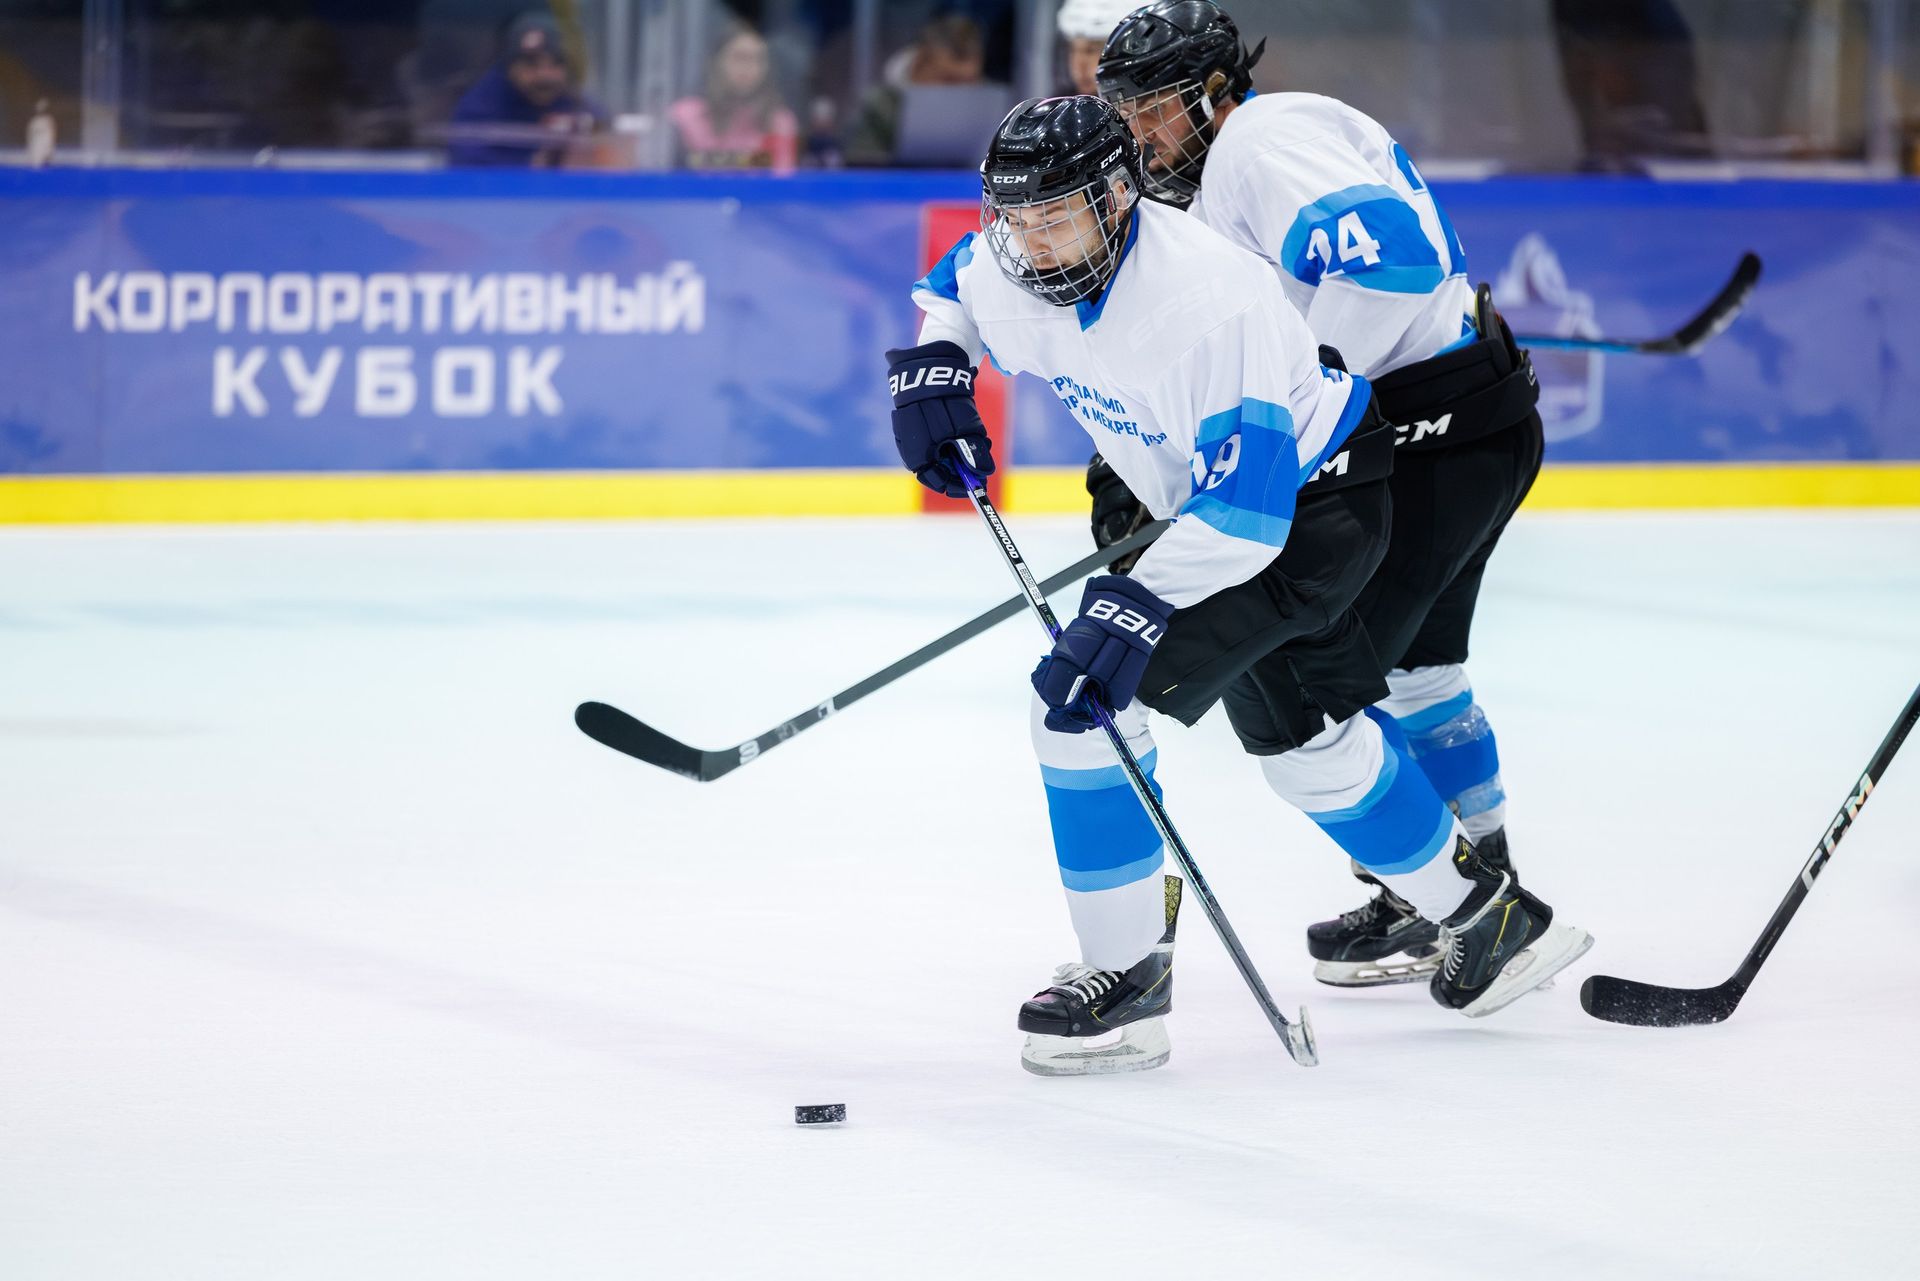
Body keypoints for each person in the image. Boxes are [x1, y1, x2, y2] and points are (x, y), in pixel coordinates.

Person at [886, 95, 1590, 1074]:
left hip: (1308, 512)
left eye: (1055, 216)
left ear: (1118, 196)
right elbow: (955, 287)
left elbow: (1248, 516)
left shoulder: (1204, 300)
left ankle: (1127, 983)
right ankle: (1489, 921)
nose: (1031, 242)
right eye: (1016, 217)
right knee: (1307, 746)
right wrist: (933, 366)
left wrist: (1136, 605)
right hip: (1223, 504)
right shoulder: (1016, 258)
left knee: (1083, 708)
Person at [1093, 2, 1552, 988]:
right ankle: (1471, 883)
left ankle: (1458, 903)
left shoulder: (1258, 144)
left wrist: (1308, 400)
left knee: (1323, 688)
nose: (1135, 132)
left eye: (1151, 107)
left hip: (1437, 435)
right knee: (1418, 671)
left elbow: (1395, 260)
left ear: (1214, 91)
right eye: (1121, 110)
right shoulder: (1242, 159)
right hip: (1468, 419)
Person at [447, 12, 605, 168]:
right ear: (509, 66)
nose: (544, 75)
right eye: (531, 64)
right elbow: (469, 168)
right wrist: (531, 165)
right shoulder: (480, 108)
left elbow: (607, 145)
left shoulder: (573, 102)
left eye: (557, 63)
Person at [842, 14, 987, 167]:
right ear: (918, 67)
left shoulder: (989, 109)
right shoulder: (878, 108)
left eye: (969, 82)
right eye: (949, 80)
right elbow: (862, 168)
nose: (960, 92)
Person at [669, 24, 799, 173]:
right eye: (739, 57)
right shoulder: (685, 117)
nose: (748, 66)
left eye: (757, 59)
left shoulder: (780, 122)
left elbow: (781, 178)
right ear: (717, 62)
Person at [1055, 0, 1141, 96]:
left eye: (1091, 50)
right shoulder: (1058, 102)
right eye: (1072, 50)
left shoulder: (1147, 102)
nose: (1079, 64)